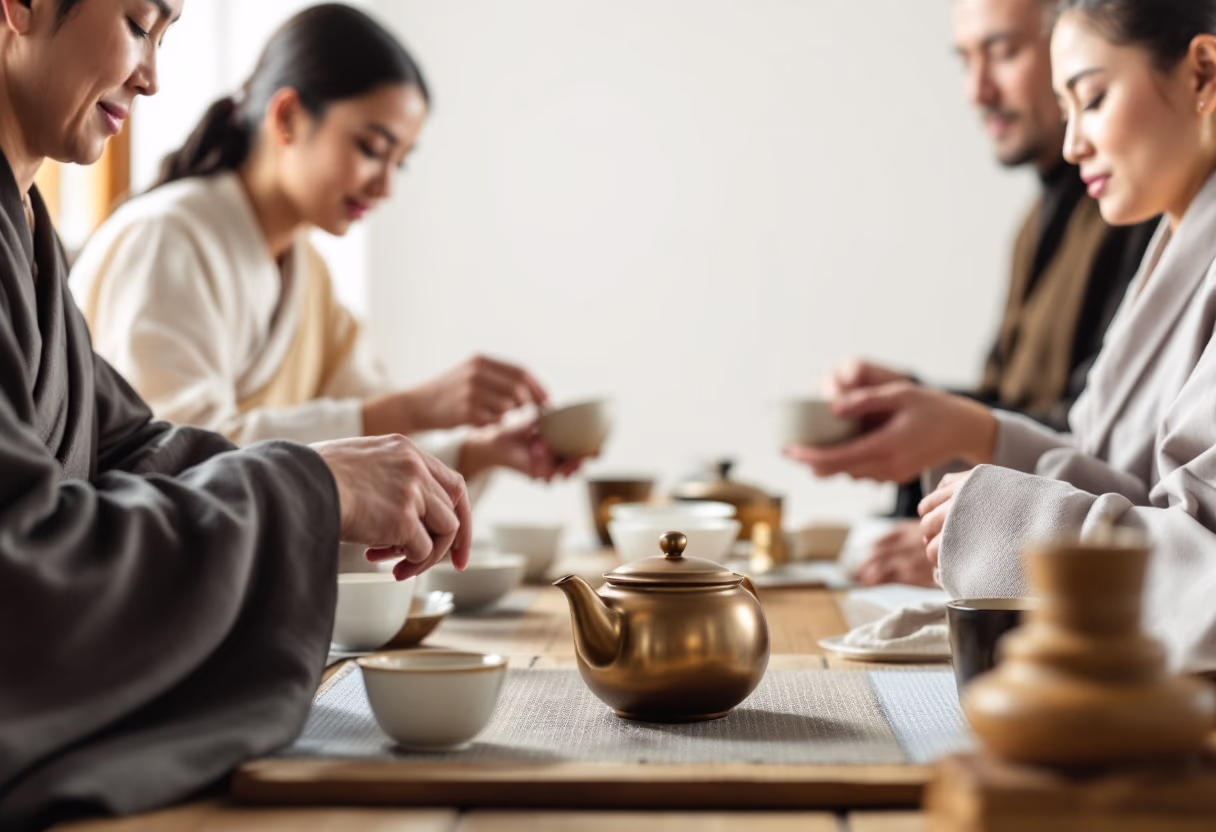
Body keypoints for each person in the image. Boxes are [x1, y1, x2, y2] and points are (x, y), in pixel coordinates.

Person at [0, 1, 471, 829]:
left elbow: (134, 446)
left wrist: (359, 479)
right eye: (139, 23)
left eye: (168, 36)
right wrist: (311, 484)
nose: (151, 75)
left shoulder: (25, 223)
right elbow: (22, 567)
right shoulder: (169, 234)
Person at [71, 4, 571, 505]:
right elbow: (168, 455)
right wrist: (414, 408)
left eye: (400, 162)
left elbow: (373, 442)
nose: (386, 185)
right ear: (287, 116)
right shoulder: (168, 237)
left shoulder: (307, 274)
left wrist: (482, 451)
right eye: (373, 148)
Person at [797, 0, 1155, 588]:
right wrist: (907, 401)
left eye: (1004, 51)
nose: (977, 90)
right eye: (966, 60)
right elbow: (1019, 401)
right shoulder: (1038, 222)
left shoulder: (1134, 211)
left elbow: (1106, 442)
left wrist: (984, 541)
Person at [930, 0, 1216, 671]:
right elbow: (1127, 481)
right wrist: (985, 444)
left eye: (1091, 99)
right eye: (1066, 108)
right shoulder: (1170, 247)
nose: (1071, 144)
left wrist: (1017, 527)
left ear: (1202, 74)